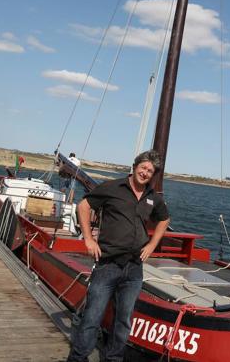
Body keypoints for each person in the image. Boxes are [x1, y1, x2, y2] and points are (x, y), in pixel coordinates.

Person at [66, 150, 170, 362]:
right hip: (108, 265)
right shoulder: (112, 187)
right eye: (143, 167)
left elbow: (164, 219)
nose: (145, 172)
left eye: (150, 171)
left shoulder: (153, 197)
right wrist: (88, 239)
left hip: (134, 268)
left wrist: (152, 244)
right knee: (92, 318)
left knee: (123, 320)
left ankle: (113, 359)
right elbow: (83, 206)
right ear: (135, 166)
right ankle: (77, 358)